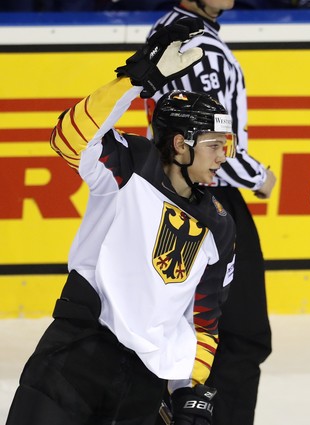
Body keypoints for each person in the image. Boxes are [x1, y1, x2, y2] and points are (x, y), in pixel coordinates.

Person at [6, 17, 237, 425]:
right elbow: (68, 139)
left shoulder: (219, 224)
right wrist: (134, 81)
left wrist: (188, 389)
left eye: (226, 145)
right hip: (75, 356)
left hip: (142, 387)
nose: (224, 156)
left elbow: (203, 324)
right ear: (181, 145)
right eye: (215, 145)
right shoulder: (130, 164)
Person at [147, 2, 276, 425]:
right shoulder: (198, 46)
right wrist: (260, 177)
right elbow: (209, 142)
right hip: (207, 199)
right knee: (239, 337)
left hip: (184, 195)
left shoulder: (173, 29)